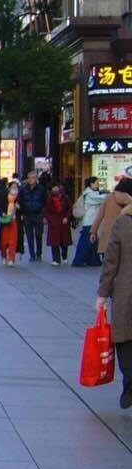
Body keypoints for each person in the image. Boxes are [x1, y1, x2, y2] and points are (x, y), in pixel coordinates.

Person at [96, 191, 132, 409]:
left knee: (125, 339)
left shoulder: (123, 223)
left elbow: (111, 262)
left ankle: (129, 384)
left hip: (125, 293)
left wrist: (102, 294)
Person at [93, 174, 132, 261]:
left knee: (109, 263)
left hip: (109, 236)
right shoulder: (130, 201)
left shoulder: (108, 197)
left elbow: (99, 215)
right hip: (125, 237)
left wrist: (93, 232)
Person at [73, 179, 107, 267]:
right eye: (96, 183)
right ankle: (79, 260)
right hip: (89, 221)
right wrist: (111, 194)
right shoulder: (89, 194)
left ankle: (93, 260)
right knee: (85, 242)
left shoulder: (91, 193)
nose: (98, 185)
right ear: (91, 184)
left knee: (92, 242)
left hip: (91, 221)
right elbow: (102, 198)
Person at [45, 179, 74, 266]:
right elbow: (46, 211)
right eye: (53, 188)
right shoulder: (49, 199)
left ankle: (64, 256)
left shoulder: (65, 197)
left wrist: (67, 217)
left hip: (63, 222)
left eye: (56, 187)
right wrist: (50, 220)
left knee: (64, 241)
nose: (55, 189)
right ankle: (56, 259)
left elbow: (70, 208)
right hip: (53, 222)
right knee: (54, 242)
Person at [20, 170, 47, 261]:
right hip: (27, 215)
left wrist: (43, 211)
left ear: (36, 179)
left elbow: (45, 200)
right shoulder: (23, 189)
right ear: (27, 179)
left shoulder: (41, 189)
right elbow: (20, 200)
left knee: (39, 234)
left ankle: (39, 253)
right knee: (29, 235)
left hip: (38, 214)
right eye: (30, 178)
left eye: (33, 178)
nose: (31, 180)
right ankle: (32, 254)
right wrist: (22, 211)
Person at [0, 178, 21, 265]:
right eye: (12, 187)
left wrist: (19, 208)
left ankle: (11, 259)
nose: (14, 189)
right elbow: (0, 207)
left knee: (13, 241)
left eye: (16, 187)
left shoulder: (19, 198)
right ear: (9, 188)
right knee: (3, 241)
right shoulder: (4, 196)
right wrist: (2, 213)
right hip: (5, 221)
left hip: (14, 220)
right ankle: (3, 256)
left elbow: (23, 209)